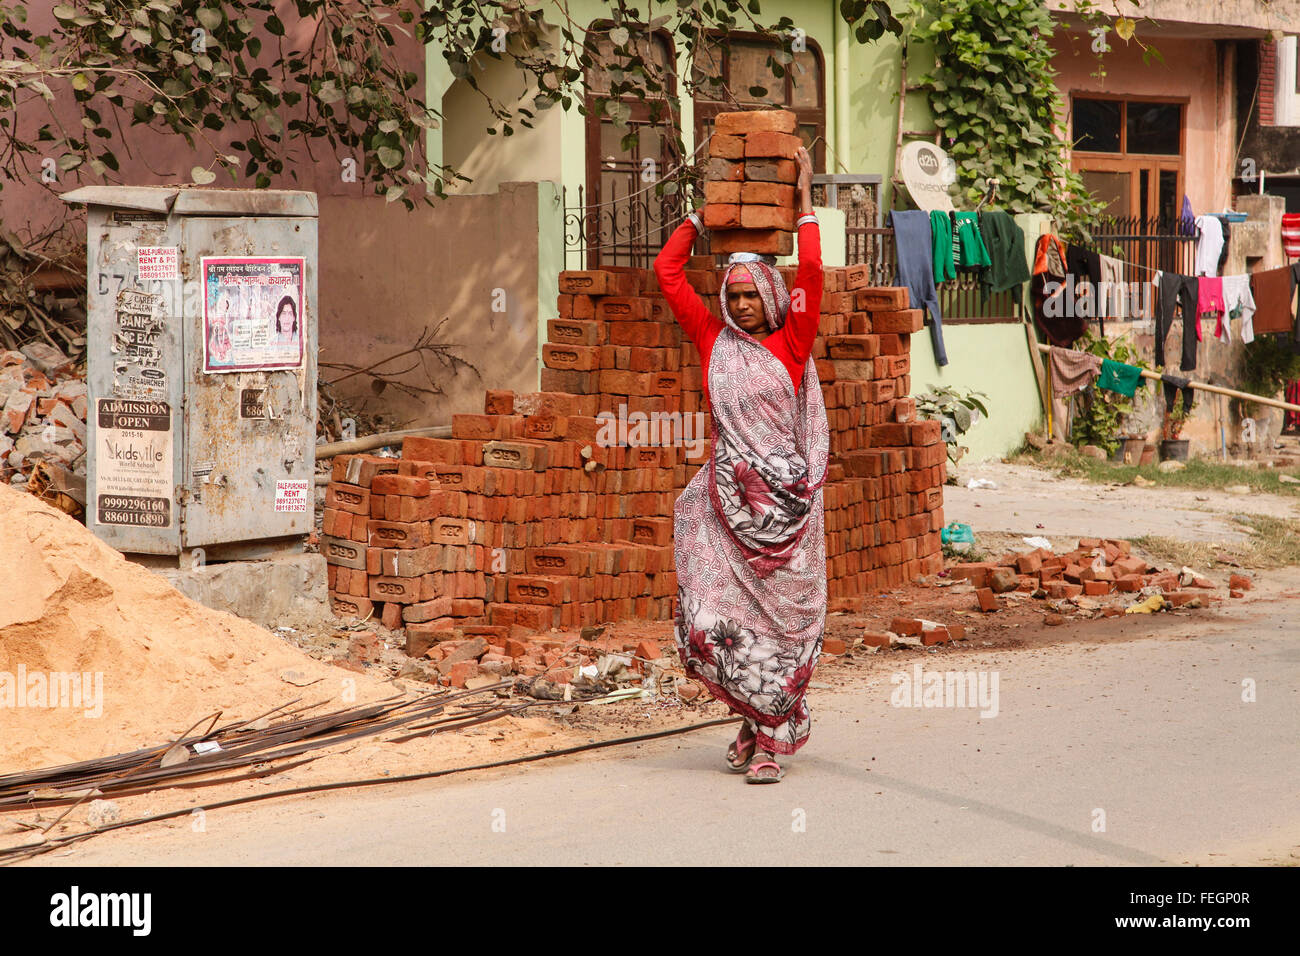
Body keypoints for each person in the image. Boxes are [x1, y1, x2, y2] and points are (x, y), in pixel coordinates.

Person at [653, 145, 828, 784]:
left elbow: (811, 274)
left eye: (753, 293)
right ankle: (755, 721)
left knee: (780, 627)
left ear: (772, 297)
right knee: (714, 620)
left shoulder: (792, 340)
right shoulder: (711, 341)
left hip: (786, 508)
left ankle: (769, 742)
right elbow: (668, 275)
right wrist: (700, 220)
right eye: (734, 293)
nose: (744, 303)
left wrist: (805, 202)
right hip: (727, 507)